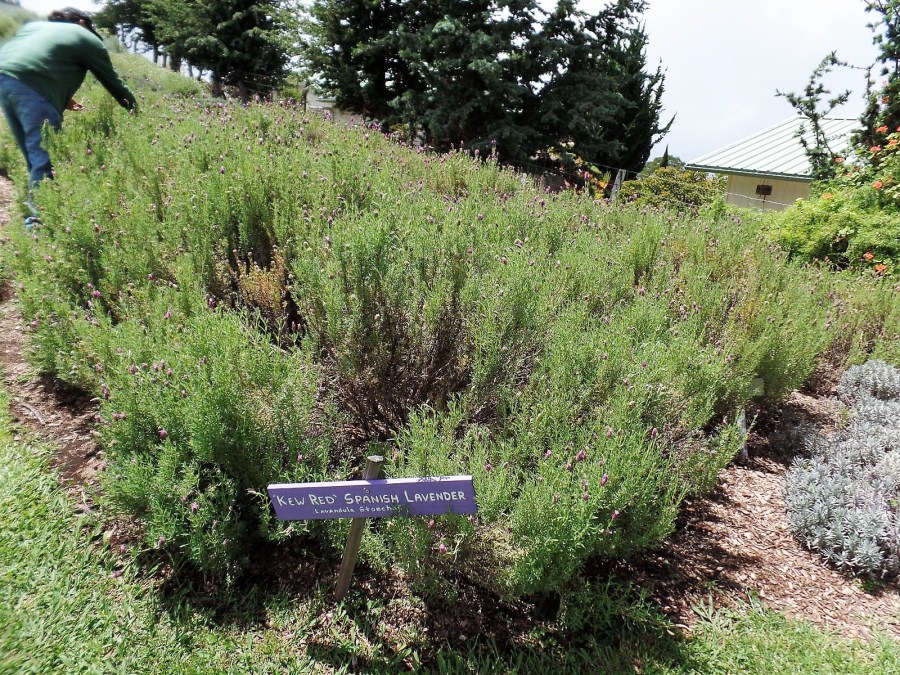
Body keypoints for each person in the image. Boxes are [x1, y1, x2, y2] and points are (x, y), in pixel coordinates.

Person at [0, 7, 136, 221]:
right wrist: (135, 110)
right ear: (82, 23)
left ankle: (39, 207)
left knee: (33, 156)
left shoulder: (35, 27)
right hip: (34, 87)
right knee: (44, 157)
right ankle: (39, 224)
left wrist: (62, 96)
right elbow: (113, 82)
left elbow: (36, 60)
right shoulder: (86, 37)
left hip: (5, 79)